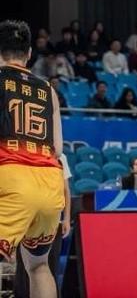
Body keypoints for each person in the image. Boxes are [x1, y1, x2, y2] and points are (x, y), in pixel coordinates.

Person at [0, 20, 65, 298]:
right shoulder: (48, 89)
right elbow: (58, 148)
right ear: (28, 53)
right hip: (49, 183)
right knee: (38, 266)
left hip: (11, 176)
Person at [13, 153, 72, 298]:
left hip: (48, 218)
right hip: (29, 217)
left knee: (46, 265)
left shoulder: (59, 157)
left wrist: (66, 218)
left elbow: (65, 190)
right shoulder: (21, 151)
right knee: (28, 266)